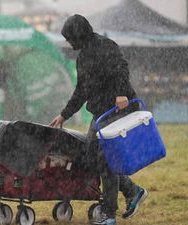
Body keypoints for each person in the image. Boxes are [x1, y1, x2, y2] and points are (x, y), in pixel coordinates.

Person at [49, 15, 147, 225]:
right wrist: (64, 114)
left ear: (78, 34)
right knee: (90, 157)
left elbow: (122, 68)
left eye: (69, 38)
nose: (68, 42)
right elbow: (81, 90)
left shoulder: (106, 45)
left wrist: (122, 94)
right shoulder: (82, 57)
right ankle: (132, 191)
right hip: (100, 113)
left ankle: (109, 214)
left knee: (106, 161)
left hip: (118, 109)